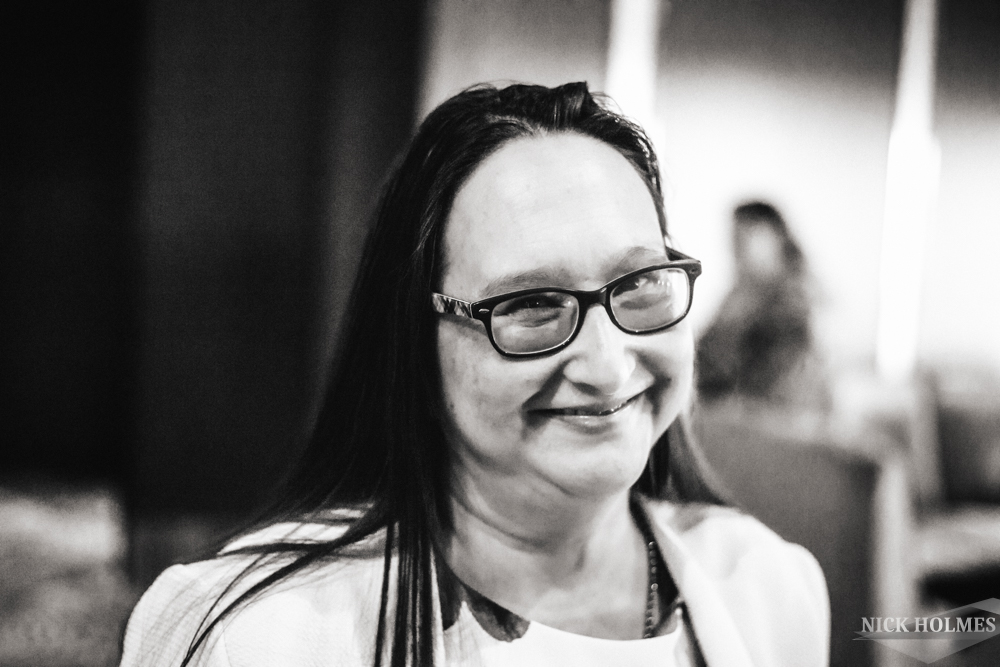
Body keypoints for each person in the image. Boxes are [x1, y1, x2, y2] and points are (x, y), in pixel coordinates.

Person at [120, 83, 829, 667]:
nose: (609, 363)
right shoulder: (262, 634)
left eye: (639, 283)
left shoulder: (767, 587)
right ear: (415, 343)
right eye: (530, 304)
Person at [696, 202, 830, 411]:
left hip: (777, 418)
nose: (735, 248)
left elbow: (777, 383)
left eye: (745, 237)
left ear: (776, 237)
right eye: (734, 238)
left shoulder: (796, 299)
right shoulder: (739, 295)